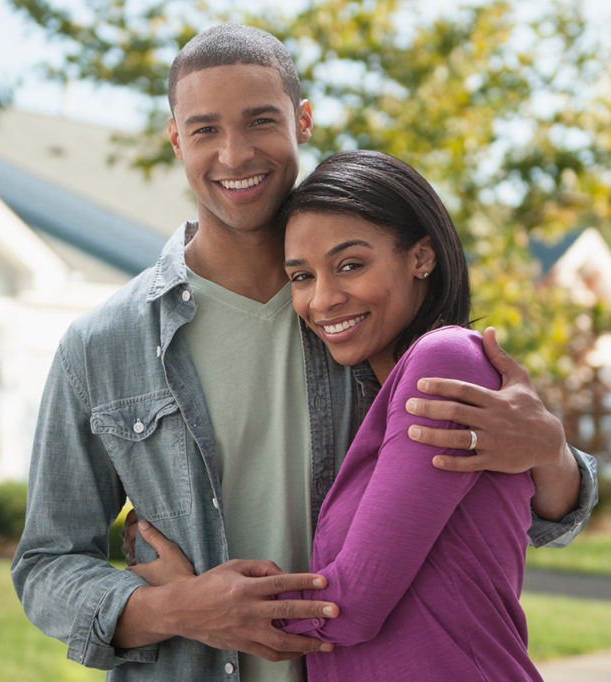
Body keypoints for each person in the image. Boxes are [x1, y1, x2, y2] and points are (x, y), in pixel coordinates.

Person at [12, 24, 597, 682]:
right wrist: (176, 608)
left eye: (260, 121)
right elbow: (47, 564)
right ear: (176, 139)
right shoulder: (104, 346)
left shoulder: (370, 320)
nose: (234, 154)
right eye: (204, 129)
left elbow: (508, 521)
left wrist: (551, 454)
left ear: (303, 121)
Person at [133, 149, 546, 680]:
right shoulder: (381, 395)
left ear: (422, 257)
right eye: (301, 277)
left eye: (350, 265)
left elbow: (347, 607)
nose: (323, 299)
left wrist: (183, 601)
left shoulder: (445, 362)